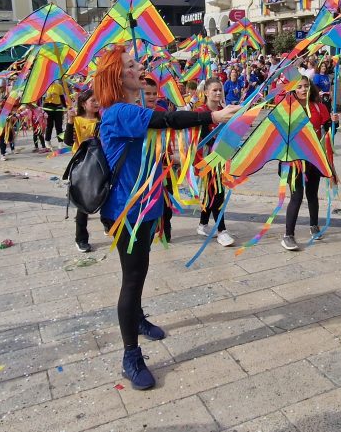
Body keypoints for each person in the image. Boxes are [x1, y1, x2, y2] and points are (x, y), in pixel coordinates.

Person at [93, 43, 237, 390]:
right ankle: (130, 355)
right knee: (132, 278)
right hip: (126, 211)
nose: (137, 68)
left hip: (145, 206)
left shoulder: (132, 107)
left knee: (140, 270)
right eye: (129, 65)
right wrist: (212, 116)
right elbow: (168, 120)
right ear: (116, 75)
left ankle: (138, 318)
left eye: (135, 63)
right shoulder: (117, 113)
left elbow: (155, 143)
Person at [279, 77, 336, 251]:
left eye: (306, 86)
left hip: (314, 158)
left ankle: (314, 225)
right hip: (293, 160)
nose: (304, 89)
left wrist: (334, 122)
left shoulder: (319, 107)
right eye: (300, 87)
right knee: (296, 195)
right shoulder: (288, 108)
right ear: (293, 89)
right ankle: (288, 235)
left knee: (312, 193)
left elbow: (329, 131)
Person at [64, 89, 108, 253]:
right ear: (83, 104)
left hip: (101, 163)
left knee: (105, 194)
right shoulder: (77, 120)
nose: (97, 103)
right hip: (83, 165)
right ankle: (81, 239)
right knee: (83, 202)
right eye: (93, 101)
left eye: (98, 100)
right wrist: (69, 120)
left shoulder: (103, 119)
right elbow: (68, 141)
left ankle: (107, 224)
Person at [195, 77, 237, 247]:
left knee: (211, 194)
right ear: (205, 92)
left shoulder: (225, 111)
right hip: (205, 160)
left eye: (220, 90)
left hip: (221, 158)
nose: (218, 92)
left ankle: (203, 224)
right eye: (214, 90)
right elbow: (197, 139)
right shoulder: (200, 112)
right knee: (216, 194)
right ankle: (222, 230)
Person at [42, 81, 68, 148]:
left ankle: (60, 142)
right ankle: (47, 141)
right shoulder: (44, 86)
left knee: (59, 126)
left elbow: (62, 97)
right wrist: (48, 96)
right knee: (49, 126)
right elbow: (42, 99)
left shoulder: (59, 86)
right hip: (48, 107)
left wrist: (65, 106)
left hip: (58, 108)